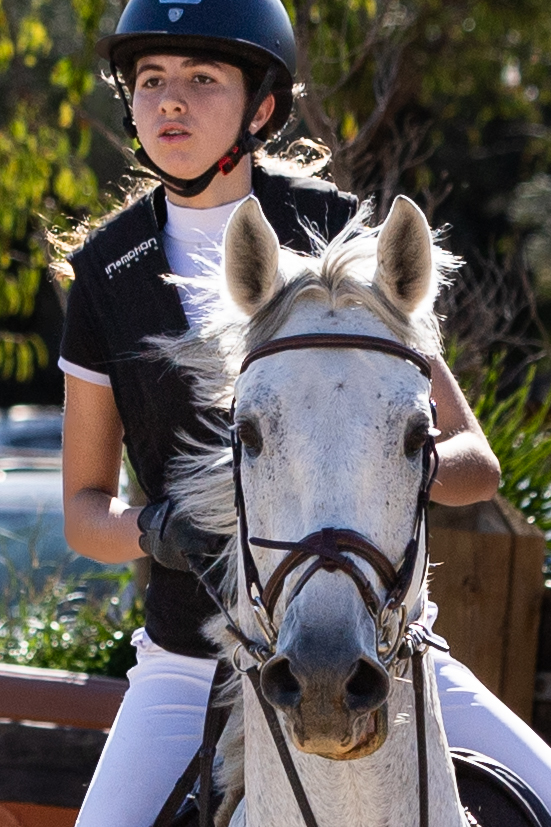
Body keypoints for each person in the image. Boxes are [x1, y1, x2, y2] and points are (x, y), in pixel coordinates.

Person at [55, 0, 551, 823]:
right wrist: (153, 531)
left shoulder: (335, 230)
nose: (169, 101)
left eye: (201, 78)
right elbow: (80, 511)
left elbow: (475, 461)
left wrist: (397, 463)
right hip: (190, 660)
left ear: (262, 107)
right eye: (149, 80)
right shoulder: (108, 269)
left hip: (383, 648)